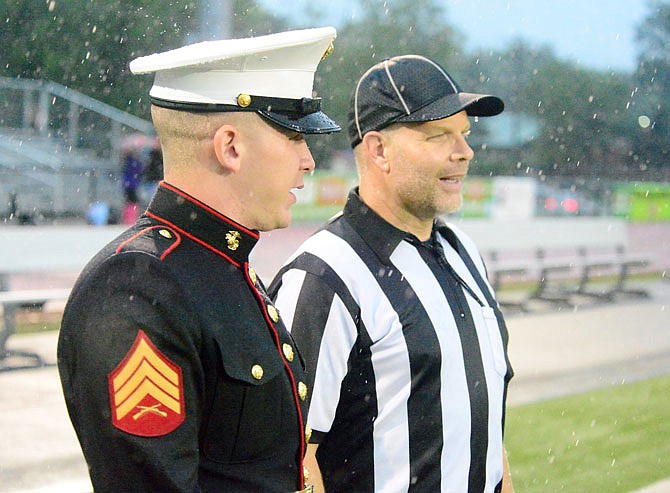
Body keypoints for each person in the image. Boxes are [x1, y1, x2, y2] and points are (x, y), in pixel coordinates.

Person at [57, 27, 340, 493]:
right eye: (294, 137)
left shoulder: (220, 265)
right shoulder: (137, 288)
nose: (308, 160)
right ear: (230, 146)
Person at [269, 55, 514, 492]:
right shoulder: (325, 275)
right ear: (379, 150)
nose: (464, 152)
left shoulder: (463, 252)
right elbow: (291, 455)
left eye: (465, 134)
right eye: (439, 136)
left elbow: (485, 424)